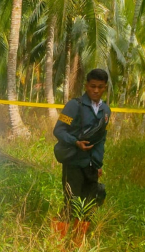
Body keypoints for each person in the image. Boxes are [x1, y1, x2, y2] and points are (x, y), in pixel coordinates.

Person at [52, 68, 111, 239]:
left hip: (92, 166)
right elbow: (59, 130)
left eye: (100, 87)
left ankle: (78, 243)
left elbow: (101, 139)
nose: (96, 90)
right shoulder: (73, 106)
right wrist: (75, 142)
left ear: (105, 87)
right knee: (71, 204)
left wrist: (99, 164)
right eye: (93, 86)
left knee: (88, 206)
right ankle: (59, 245)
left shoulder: (105, 111)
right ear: (86, 85)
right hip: (74, 163)